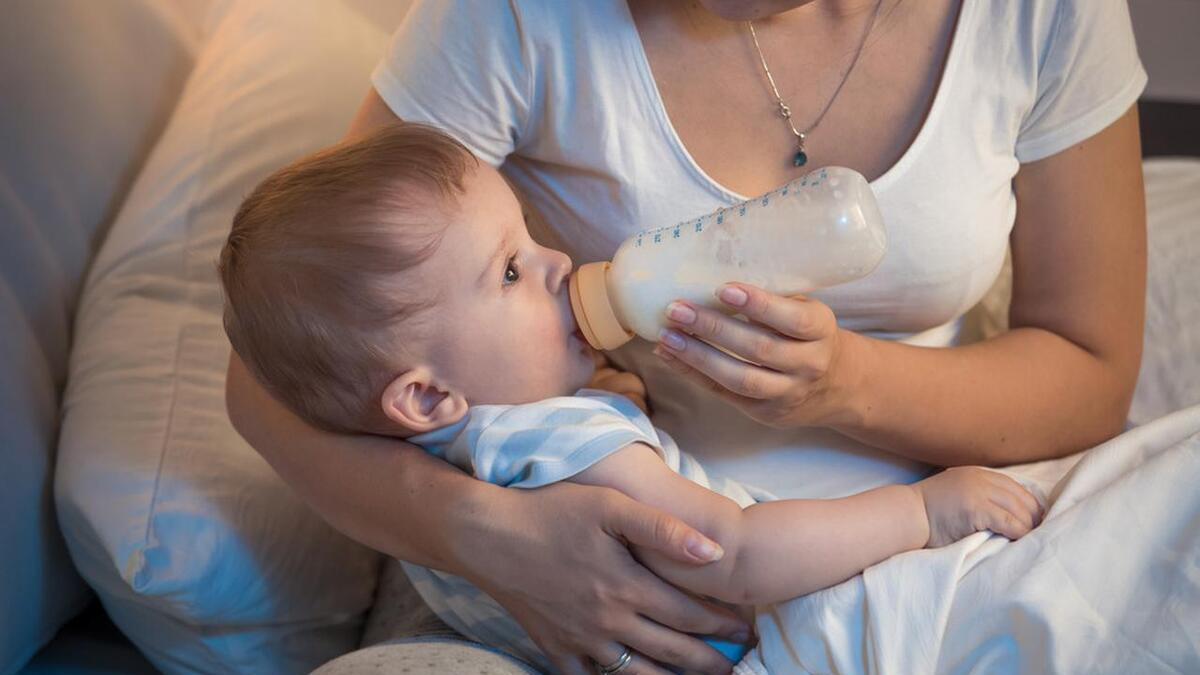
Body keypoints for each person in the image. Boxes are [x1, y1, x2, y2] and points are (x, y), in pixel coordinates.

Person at [224, 1, 1147, 673]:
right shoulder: (506, 21)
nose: (555, 262)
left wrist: (849, 385)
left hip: (893, 535)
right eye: (512, 266)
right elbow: (294, 365)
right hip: (771, 603)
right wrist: (491, 535)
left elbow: (1091, 366)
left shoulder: (1043, 16)